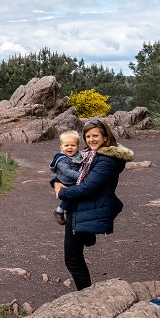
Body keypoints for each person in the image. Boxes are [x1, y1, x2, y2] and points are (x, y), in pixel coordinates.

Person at [51, 118, 133, 290]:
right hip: (82, 209)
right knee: (75, 255)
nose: (91, 139)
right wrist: (55, 182)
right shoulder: (91, 156)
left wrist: (62, 192)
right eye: (87, 136)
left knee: (72, 259)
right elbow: (75, 175)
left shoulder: (106, 160)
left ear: (105, 136)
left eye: (95, 135)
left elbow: (87, 187)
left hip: (86, 209)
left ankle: (86, 296)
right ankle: (89, 237)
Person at [50, 130, 83, 225]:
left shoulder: (79, 156)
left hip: (73, 180)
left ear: (78, 147)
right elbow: (67, 172)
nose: (70, 147)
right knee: (72, 194)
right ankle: (59, 210)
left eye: (73, 145)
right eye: (66, 145)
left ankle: (63, 210)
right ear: (61, 147)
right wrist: (81, 175)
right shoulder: (62, 159)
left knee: (74, 196)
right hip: (66, 181)